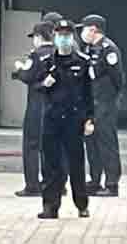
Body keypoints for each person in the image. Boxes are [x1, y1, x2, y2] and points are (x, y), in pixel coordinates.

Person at [29, 19, 95, 219]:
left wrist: (90, 119)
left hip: (74, 120)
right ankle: (50, 206)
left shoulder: (82, 62)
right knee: (51, 164)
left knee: (76, 163)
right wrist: (45, 83)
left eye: (67, 35)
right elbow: (35, 85)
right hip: (52, 119)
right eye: (60, 35)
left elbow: (88, 94)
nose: (63, 39)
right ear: (55, 36)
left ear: (72, 37)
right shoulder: (47, 61)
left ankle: (81, 204)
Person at [78, 14, 124, 197]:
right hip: (91, 103)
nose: (82, 33)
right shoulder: (90, 49)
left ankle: (112, 183)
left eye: (84, 29)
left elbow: (117, 78)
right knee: (91, 141)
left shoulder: (108, 49)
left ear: (93, 29)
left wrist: (110, 99)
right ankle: (95, 180)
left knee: (107, 142)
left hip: (105, 102)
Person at [12, 20, 56, 197]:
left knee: (31, 144)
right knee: (51, 146)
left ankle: (32, 185)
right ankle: (51, 182)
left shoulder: (35, 55)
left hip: (37, 104)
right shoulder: (59, 53)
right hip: (55, 105)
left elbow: (27, 75)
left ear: (38, 37)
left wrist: (19, 69)